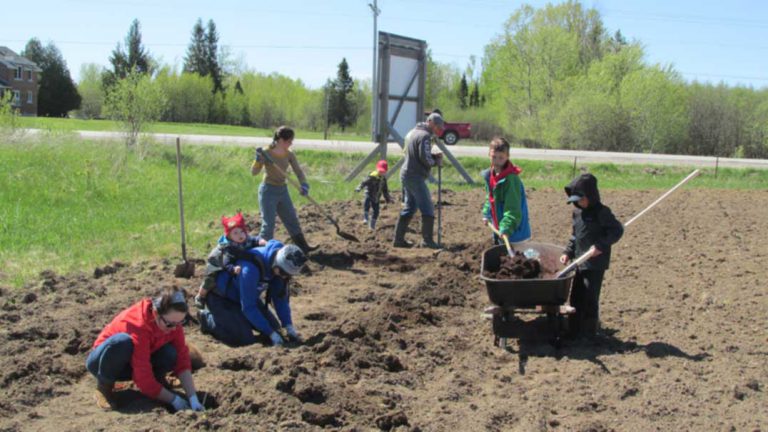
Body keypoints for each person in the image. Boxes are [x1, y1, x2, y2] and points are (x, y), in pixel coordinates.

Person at [86, 288, 204, 412]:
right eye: (170, 324)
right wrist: (174, 400)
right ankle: (104, 387)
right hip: (104, 363)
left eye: (180, 323)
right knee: (122, 342)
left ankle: (159, 380)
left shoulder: (172, 322)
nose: (174, 329)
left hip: (132, 362)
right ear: (155, 313)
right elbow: (143, 378)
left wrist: (193, 398)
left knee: (170, 353)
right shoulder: (139, 326)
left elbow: (182, 359)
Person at [198, 240, 307, 347]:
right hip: (222, 298)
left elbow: (280, 298)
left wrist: (288, 326)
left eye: (288, 275)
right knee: (244, 338)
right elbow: (248, 307)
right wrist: (270, 333)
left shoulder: (279, 269)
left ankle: (240, 320)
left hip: (245, 297)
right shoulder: (249, 270)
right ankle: (207, 318)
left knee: (277, 330)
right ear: (276, 264)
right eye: (283, 273)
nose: (284, 277)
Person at [559, 173, 624, 338]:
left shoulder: (602, 212)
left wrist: (600, 246)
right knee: (576, 295)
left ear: (591, 196)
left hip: (595, 263)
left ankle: (589, 332)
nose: (579, 203)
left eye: (581, 199)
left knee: (590, 296)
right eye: (576, 201)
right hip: (580, 261)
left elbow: (617, 230)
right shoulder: (577, 213)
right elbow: (575, 236)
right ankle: (574, 328)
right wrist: (568, 252)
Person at [251, 126, 315, 254]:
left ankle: (303, 247)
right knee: (268, 225)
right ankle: (261, 252)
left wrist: (304, 184)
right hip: (268, 191)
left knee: (292, 220)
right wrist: (258, 160)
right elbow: (254, 172)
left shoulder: (289, 154)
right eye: (289, 141)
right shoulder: (266, 152)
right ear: (280, 140)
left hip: (282, 190)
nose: (291, 143)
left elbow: (298, 171)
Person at [393, 112, 444, 249]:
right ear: (430, 122)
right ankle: (427, 241)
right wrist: (435, 161)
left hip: (406, 173)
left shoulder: (414, 132)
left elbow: (416, 153)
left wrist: (431, 156)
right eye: (437, 126)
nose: (438, 129)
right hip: (415, 176)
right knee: (427, 207)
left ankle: (398, 240)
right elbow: (424, 157)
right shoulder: (425, 136)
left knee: (410, 207)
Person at [195, 212, 266, 308]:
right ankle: (201, 295)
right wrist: (233, 269)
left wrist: (260, 241)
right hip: (218, 261)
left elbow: (254, 240)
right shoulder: (228, 248)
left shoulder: (246, 239)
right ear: (229, 236)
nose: (240, 235)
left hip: (237, 258)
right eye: (235, 233)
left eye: (241, 231)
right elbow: (226, 263)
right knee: (211, 279)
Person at [481, 137, 531, 245]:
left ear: (507, 157)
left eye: (501, 158)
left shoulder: (511, 180)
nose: (497, 161)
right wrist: (486, 213)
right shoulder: (491, 175)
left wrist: (506, 228)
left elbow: (513, 209)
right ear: (489, 154)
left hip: (515, 233)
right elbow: (490, 197)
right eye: (494, 157)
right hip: (500, 229)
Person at [355, 159, 393, 230]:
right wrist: (359, 188)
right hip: (369, 193)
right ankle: (366, 218)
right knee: (367, 203)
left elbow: (385, 191)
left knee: (376, 211)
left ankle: (372, 225)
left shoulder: (383, 180)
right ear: (377, 169)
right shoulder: (372, 176)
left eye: (383, 171)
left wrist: (388, 199)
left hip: (376, 197)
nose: (381, 172)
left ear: (386, 171)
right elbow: (364, 182)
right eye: (380, 171)